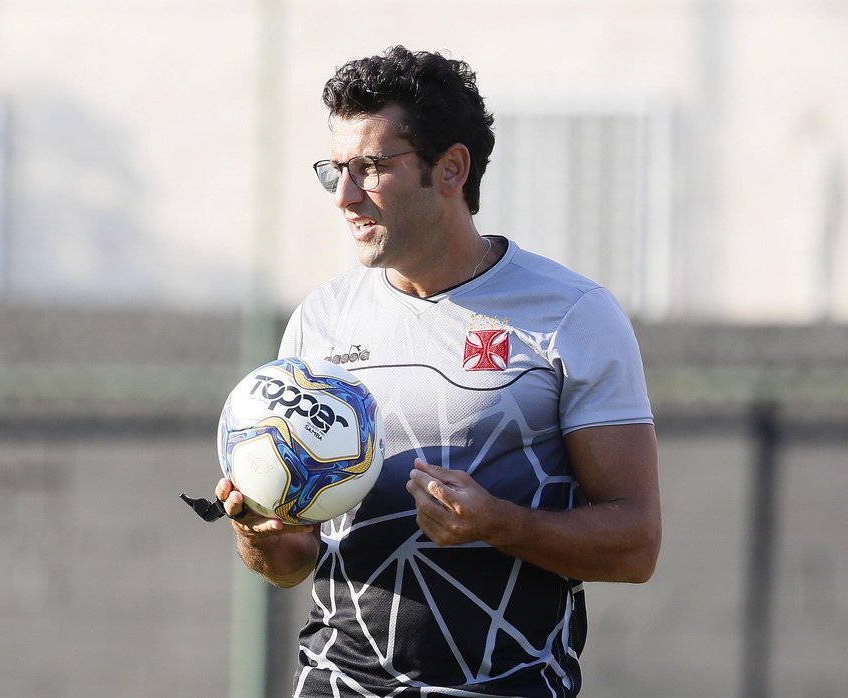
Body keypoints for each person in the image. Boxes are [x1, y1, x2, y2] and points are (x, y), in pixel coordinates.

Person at [215, 45, 661, 697]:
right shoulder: (321, 320)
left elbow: (636, 545)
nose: (344, 196)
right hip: (339, 683)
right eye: (335, 170)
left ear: (451, 168)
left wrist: (498, 523)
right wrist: (256, 533)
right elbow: (292, 561)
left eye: (370, 168)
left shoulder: (572, 314)